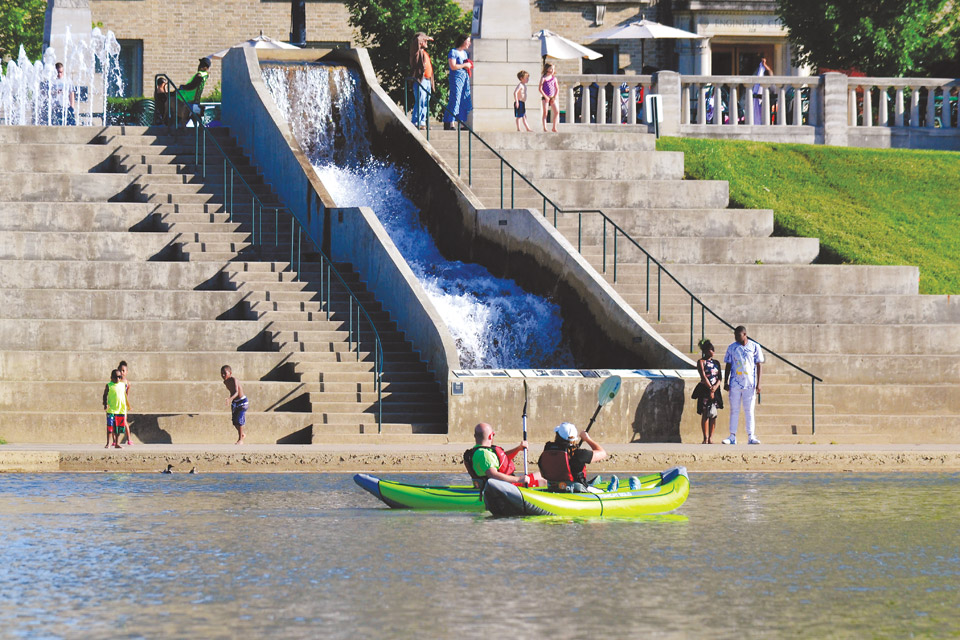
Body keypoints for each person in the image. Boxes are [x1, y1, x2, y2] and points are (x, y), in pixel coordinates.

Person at [463, 423, 542, 489]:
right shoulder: (484, 454)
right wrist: (518, 479)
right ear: (491, 436)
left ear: (475, 436)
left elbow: (502, 460)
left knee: (541, 474)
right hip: (504, 489)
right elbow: (493, 475)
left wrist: (518, 449)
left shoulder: (482, 451)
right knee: (543, 479)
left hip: (504, 486)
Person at [723, 325, 764, 445]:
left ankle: (751, 436)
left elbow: (759, 364)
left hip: (749, 384)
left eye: (738, 335)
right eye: (735, 335)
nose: (736, 337)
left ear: (744, 334)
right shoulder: (732, 347)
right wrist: (726, 381)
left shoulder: (755, 346)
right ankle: (732, 436)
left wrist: (759, 383)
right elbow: (728, 364)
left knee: (749, 410)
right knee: (734, 410)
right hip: (735, 383)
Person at [538, 422, 608, 492]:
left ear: (557, 435)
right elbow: (602, 453)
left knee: (594, 481)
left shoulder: (548, 449)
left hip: (553, 487)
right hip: (577, 489)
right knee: (604, 491)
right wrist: (587, 439)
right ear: (574, 439)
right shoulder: (580, 454)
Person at [693, 339, 723, 444]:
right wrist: (710, 388)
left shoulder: (716, 363)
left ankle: (711, 437)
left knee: (713, 413)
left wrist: (715, 388)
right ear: (705, 351)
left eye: (713, 350)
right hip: (705, 390)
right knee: (705, 412)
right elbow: (703, 376)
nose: (712, 352)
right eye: (711, 350)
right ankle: (705, 437)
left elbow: (720, 377)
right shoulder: (701, 362)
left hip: (715, 390)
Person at [443, 34, 473, 130]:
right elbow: (453, 66)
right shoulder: (453, 52)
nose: (469, 43)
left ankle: (462, 122)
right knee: (455, 98)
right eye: (467, 41)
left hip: (464, 78)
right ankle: (450, 122)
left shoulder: (464, 53)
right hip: (456, 78)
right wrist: (464, 65)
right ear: (463, 41)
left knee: (464, 99)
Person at [409, 32, 435, 130]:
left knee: (425, 102)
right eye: (424, 41)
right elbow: (417, 40)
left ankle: (422, 122)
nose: (426, 42)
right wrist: (426, 37)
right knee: (420, 100)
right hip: (421, 80)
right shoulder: (416, 52)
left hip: (427, 81)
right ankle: (416, 122)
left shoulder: (425, 53)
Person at [176, 57, 210, 125]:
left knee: (170, 102)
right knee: (194, 116)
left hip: (186, 97)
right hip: (191, 98)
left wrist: (183, 87)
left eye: (201, 64)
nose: (199, 65)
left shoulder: (199, 75)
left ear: (204, 66)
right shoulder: (204, 75)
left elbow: (192, 86)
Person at [221, 365, 247, 444]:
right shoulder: (225, 382)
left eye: (225, 373)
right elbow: (231, 392)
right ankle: (242, 434)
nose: (223, 375)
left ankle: (240, 440)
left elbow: (236, 392)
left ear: (230, 373)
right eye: (221, 374)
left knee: (239, 420)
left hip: (242, 402)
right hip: (235, 402)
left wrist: (230, 399)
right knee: (234, 421)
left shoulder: (234, 380)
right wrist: (230, 400)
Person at [102, 369, 127, 450]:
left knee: (118, 429)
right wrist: (105, 404)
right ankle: (108, 443)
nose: (118, 379)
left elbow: (124, 396)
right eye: (115, 377)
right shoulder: (109, 385)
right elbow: (105, 395)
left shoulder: (123, 385)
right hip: (111, 410)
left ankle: (117, 443)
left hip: (120, 410)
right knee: (110, 428)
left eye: (119, 377)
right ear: (111, 377)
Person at [117, 361, 134, 445]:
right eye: (120, 370)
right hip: (117, 404)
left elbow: (127, 395)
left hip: (123, 405)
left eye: (123, 370)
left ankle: (129, 439)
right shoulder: (116, 382)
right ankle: (116, 440)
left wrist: (128, 406)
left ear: (126, 372)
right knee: (116, 422)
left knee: (124, 421)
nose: (122, 372)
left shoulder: (127, 383)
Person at [538, 63, 559, 133]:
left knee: (556, 111)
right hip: (545, 97)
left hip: (552, 97)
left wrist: (554, 97)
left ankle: (554, 127)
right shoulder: (543, 78)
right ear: (547, 69)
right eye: (551, 68)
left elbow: (557, 89)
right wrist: (545, 96)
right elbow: (540, 89)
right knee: (545, 112)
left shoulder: (554, 78)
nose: (553, 70)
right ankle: (545, 127)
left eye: (553, 69)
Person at [752, 57, 773, 123]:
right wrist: (764, 65)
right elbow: (771, 73)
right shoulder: (773, 84)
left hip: (768, 106)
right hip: (768, 106)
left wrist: (764, 65)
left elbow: (770, 73)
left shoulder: (769, 86)